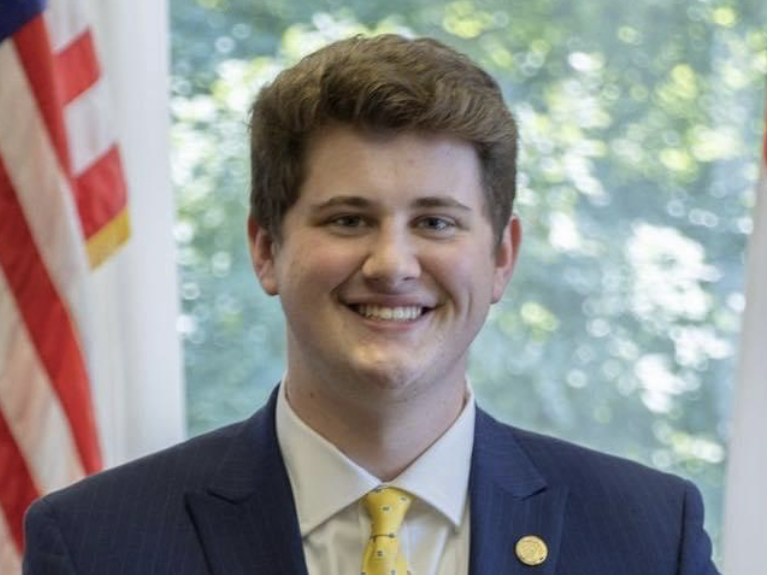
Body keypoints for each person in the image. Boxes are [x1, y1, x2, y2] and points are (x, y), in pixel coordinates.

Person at [23, 34, 720, 575]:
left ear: (502, 256)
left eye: (435, 222)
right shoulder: (95, 542)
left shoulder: (651, 534)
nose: (392, 265)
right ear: (265, 248)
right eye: (348, 219)